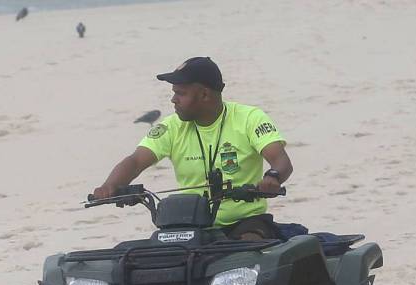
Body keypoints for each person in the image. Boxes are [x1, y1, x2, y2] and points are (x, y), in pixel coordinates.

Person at [92, 57, 293, 240]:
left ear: (204, 95)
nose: (173, 100)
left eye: (180, 93)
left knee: (250, 246)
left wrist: (273, 177)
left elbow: (281, 160)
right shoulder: (170, 127)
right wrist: (110, 186)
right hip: (189, 225)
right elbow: (135, 161)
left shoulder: (250, 118)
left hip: (246, 223)